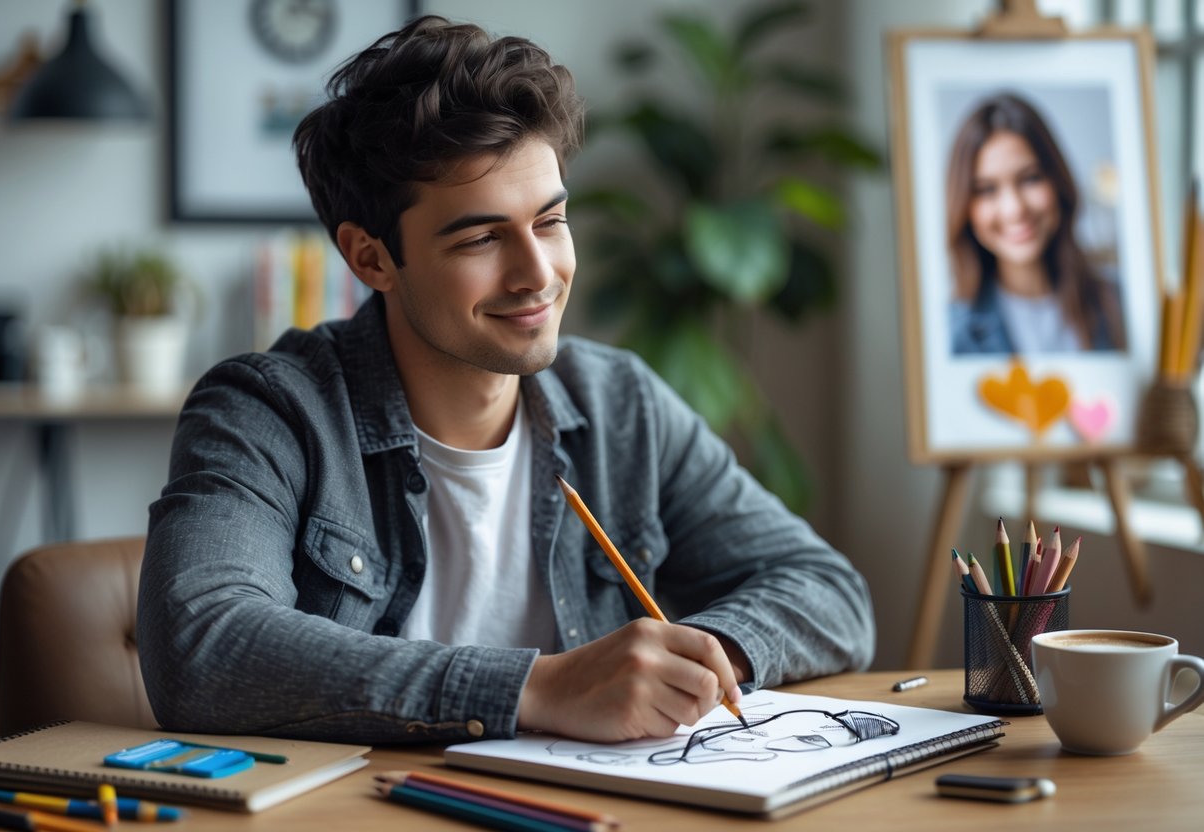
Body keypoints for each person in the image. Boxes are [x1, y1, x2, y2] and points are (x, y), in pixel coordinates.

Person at [136, 16, 874, 746]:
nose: (536, 274)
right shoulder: (268, 410)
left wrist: (696, 661)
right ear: (370, 259)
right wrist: (541, 687)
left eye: (549, 222)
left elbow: (826, 591)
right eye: (482, 238)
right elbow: (203, 646)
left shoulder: (621, 404)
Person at [945, 92, 1126, 355]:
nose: (1014, 209)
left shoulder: (1122, 304)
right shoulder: (952, 335)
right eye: (986, 190)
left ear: (1057, 182)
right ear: (965, 206)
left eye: (1030, 179)